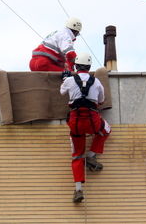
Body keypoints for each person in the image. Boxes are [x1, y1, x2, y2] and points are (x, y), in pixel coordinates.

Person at [60, 53, 111, 203]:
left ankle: (78, 190)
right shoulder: (96, 82)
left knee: (76, 155)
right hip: (93, 121)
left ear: (76, 66)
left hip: (75, 123)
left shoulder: (69, 80)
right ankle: (91, 155)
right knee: (106, 130)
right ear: (89, 67)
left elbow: (62, 91)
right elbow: (101, 100)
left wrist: (65, 78)